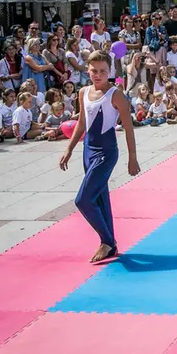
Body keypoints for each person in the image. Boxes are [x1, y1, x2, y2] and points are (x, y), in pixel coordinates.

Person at [59, 50, 140, 263]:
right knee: (100, 198)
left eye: (102, 71)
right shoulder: (83, 92)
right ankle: (111, 243)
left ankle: (106, 241)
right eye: (94, 71)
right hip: (88, 150)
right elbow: (82, 124)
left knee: (83, 200)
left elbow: (129, 128)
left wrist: (132, 157)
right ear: (88, 70)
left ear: (110, 70)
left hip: (106, 152)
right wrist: (69, 148)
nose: (98, 75)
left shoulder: (116, 95)